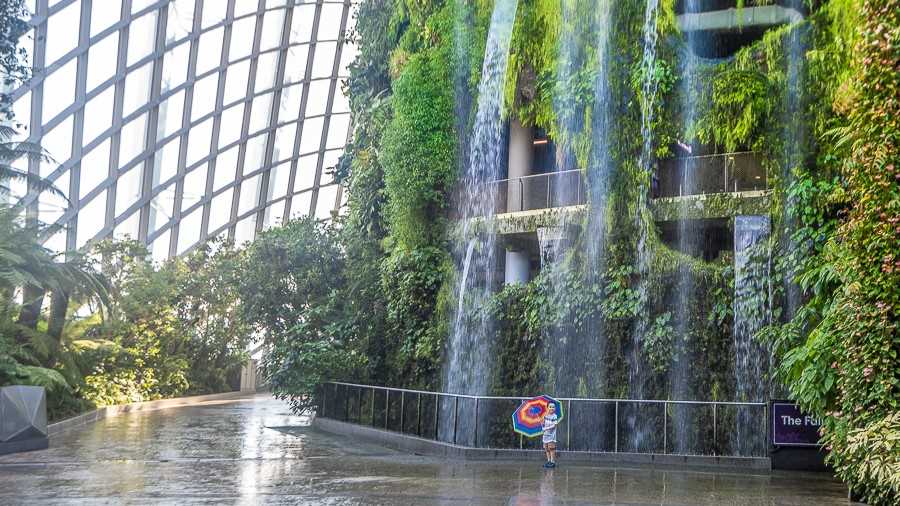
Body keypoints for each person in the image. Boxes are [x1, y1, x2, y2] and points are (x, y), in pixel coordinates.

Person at [542, 403, 559, 468]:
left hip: (551, 435)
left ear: (555, 409)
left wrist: (546, 428)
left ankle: (552, 462)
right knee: (546, 449)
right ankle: (548, 461)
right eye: (550, 407)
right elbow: (543, 424)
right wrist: (542, 424)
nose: (552, 408)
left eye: (553, 407)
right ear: (547, 408)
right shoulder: (545, 415)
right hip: (545, 435)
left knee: (551, 448)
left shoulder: (555, 416)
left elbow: (554, 425)